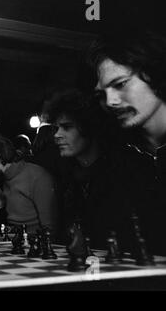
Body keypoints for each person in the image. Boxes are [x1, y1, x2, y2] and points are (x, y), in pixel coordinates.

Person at [81, 29, 166, 254]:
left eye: (120, 84)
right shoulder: (117, 160)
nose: (111, 101)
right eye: (102, 94)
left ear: (155, 73)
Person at [44, 88, 154, 251]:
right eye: (56, 128)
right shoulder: (67, 174)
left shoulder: (129, 167)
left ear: (88, 127)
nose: (57, 135)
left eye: (66, 127)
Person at [0, 135, 57, 235]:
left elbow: (49, 228)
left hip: (35, 244)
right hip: (15, 241)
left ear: (3, 153)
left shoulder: (37, 176)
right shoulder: (5, 177)